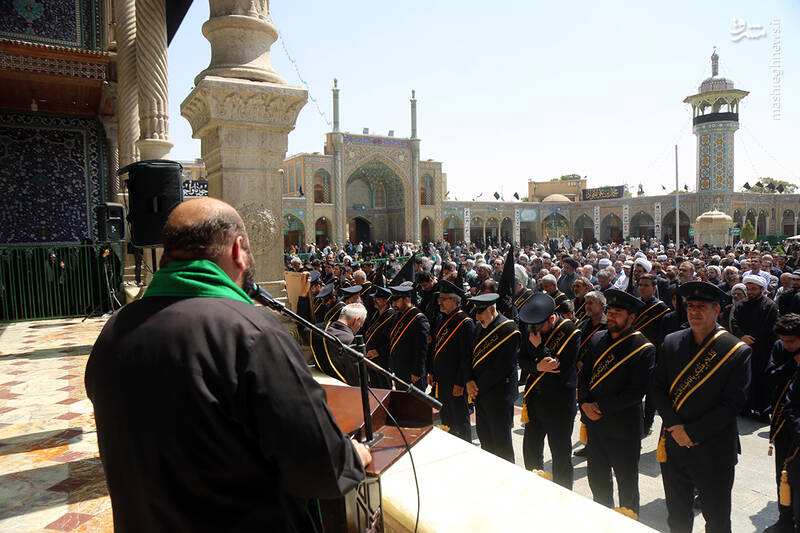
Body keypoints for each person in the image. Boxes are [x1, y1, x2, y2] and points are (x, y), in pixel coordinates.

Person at [86, 198, 370, 532]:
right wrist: (354, 456)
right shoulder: (250, 332)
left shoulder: (114, 331)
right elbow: (321, 470)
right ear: (238, 250)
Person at [650, 281, 752, 533]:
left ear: (717, 311)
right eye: (690, 306)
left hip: (713, 449)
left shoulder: (735, 350)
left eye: (702, 306)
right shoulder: (671, 342)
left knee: (717, 521)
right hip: (675, 444)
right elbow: (657, 388)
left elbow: (733, 404)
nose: (694, 311)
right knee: (677, 517)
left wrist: (692, 433)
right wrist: (675, 426)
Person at [578, 289, 655, 518]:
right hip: (595, 425)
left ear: (631, 318)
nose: (611, 317)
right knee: (598, 481)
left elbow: (635, 392)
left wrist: (599, 407)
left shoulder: (643, 348)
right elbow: (584, 374)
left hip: (624, 429)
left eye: (617, 313)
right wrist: (584, 403)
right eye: (609, 312)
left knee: (627, 486)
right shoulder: (599, 337)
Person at [519, 293, 581, 488]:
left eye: (539, 326)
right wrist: (537, 367)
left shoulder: (570, 331)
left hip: (559, 403)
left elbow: (559, 367)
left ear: (552, 318)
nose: (535, 330)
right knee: (530, 451)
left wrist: (539, 349)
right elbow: (521, 360)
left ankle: (564, 494)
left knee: (560, 454)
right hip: (535, 400)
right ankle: (534, 486)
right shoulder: (531, 327)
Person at [466, 293, 520, 462]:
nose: (477, 317)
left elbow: (501, 367)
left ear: (492, 309)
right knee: (486, 441)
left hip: (498, 396)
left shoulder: (509, 330)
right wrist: (468, 380)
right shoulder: (478, 327)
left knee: (502, 445)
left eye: (480, 313)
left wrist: (476, 386)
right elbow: (469, 356)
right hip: (479, 394)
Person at [763, 314, 800, 533]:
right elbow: (770, 375)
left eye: (792, 342)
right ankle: (785, 518)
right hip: (783, 421)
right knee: (783, 473)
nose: (787, 346)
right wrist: (793, 364)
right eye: (784, 341)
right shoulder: (780, 348)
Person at [428, 280, 474, 441]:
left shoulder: (465, 322)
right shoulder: (442, 318)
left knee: (460, 420)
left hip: (456, 381)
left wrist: (461, 382)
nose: (439, 302)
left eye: (444, 298)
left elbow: (466, 356)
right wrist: (432, 371)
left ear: (455, 300)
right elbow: (436, 347)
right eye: (439, 298)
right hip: (442, 379)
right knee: (446, 417)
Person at [732, 274, 779, 420]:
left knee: (761, 381)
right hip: (743, 348)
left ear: (761, 289)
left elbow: (770, 327)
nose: (750, 292)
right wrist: (742, 336)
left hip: (762, 349)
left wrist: (752, 338)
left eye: (754, 289)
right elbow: (734, 323)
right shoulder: (740, 304)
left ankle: (761, 411)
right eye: (748, 289)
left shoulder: (770, 306)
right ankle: (744, 408)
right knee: (744, 379)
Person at [311, 303, 367, 385]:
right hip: (345, 390)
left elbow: (303, 329)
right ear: (356, 320)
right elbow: (356, 377)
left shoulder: (317, 331)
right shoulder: (350, 341)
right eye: (362, 323)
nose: (361, 326)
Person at [388, 285, 429, 389]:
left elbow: (421, 348)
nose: (393, 304)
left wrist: (417, 371)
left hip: (412, 372)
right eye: (392, 302)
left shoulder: (419, 318)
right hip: (399, 369)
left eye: (396, 301)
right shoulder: (398, 315)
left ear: (406, 299)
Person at [364, 286, 396, 389]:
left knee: (384, 389)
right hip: (372, 360)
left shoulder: (392, 315)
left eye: (378, 299)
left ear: (386, 301)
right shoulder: (377, 314)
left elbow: (392, 340)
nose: (374, 300)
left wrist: (379, 351)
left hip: (382, 360)